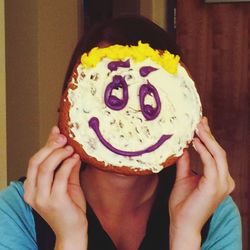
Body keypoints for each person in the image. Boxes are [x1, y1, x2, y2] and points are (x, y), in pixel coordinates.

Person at [0, 15, 242, 250]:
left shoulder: (211, 210)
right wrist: (69, 238)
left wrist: (185, 234)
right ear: (67, 104)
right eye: (110, 94)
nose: (127, 119)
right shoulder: (16, 210)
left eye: (149, 101)